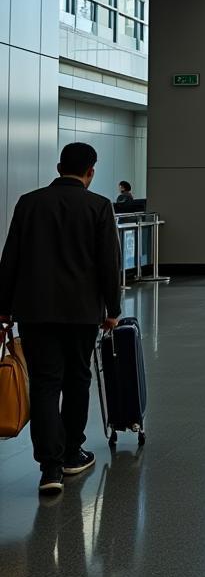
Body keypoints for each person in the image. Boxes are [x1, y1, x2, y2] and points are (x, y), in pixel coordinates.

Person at [0, 142, 121, 495]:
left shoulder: (29, 203)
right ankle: (72, 453)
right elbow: (108, 263)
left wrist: (4, 308)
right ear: (91, 171)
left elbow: (11, 257)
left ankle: (49, 468)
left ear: (58, 167)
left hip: (35, 311)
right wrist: (112, 309)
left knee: (44, 383)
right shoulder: (99, 206)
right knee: (78, 378)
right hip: (82, 312)